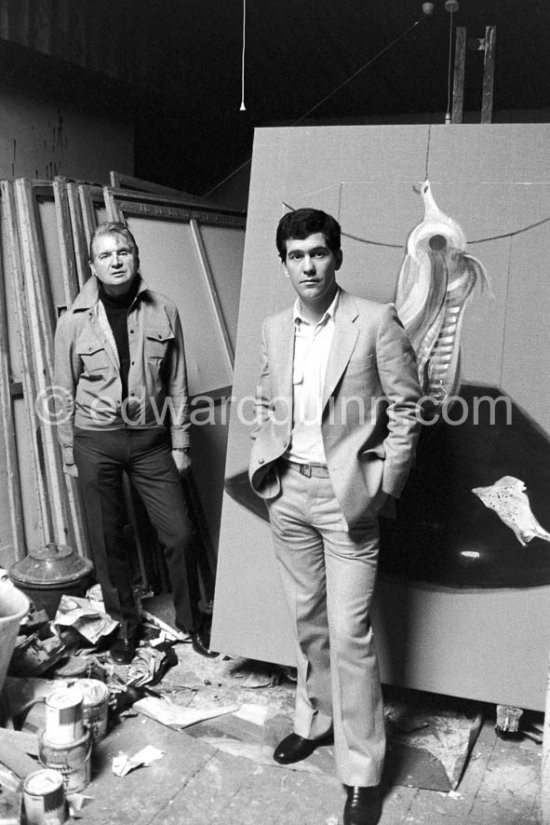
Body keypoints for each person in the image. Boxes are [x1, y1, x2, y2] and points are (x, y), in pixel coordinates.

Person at [249, 208, 422, 825]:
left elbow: (407, 409)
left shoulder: (375, 321)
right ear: (285, 263)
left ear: (336, 256)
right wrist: (266, 463)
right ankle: (315, 720)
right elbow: (272, 399)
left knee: (351, 636)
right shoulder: (274, 327)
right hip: (288, 493)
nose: (308, 265)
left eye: (318, 253)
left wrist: (383, 487)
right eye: (296, 256)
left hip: (349, 500)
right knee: (309, 624)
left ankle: (362, 770)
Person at [54, 221, 215, 663]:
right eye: (105, 255)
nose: (116, 261)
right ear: (93, 266)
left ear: (136, 256)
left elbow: (178, 384)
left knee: (180, 534)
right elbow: (60, 392)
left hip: (150, 441)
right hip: (95, 441)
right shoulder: (72, 322)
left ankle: (193, 621)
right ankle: (125, 626)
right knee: (108, 542)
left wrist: (181, 444)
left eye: (123, 251)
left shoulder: (165, 310)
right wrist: (71, 452)